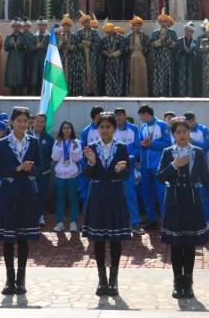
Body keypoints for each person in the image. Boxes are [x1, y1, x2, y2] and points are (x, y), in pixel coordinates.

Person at [158, 116, 209, 299]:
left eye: (185, 131)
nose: (182, 135)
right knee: (176, 245)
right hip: (174, 202)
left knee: (190, 244)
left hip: (192, 202)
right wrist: (174, 165)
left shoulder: (197, 152)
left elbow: (205, 176)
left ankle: (188, 282)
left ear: (189, 132)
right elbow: (160, 177)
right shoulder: (168, 152)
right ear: (173, 134)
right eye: (178, 132)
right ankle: (177, 282)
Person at [0, 107, 41, 295]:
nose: (22, 124)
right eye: (18, 121)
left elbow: (41, 167)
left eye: (25, 121)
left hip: (27, 193)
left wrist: (30, 169)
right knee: (8, 238)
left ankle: (21, 279)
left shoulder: (33, 142)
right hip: (8, 194)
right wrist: (16, 168)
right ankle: (9, 279)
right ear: (12, 122)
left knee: (23, 237)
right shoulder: (2, 143)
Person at [82, 112, 132, 296]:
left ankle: (113, 280)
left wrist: (121, 170)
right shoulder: (91, 148)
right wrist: (92, 163)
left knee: (115, 239)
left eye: (108, 127)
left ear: (114, 128)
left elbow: (127, 174)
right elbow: (86, 175)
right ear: (98, 129)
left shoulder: (122, 147)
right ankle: (102, 280)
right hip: (97, 196)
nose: (105, 130)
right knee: (98, 239)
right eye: (101, 127)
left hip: (115, 195)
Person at [52, 120, 82, 232]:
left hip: (72, 175)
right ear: (61, 130)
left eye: (68, 128)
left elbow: (78, 158)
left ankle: (73, 222)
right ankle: (59, 223)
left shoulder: (76, 142)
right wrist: (59, 146)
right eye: (64, 128)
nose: (66, 130)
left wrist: (74, 149)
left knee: (73, 199)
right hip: (60, 175)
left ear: (71, 129)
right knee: (59, 200)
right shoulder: (57, 142)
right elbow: (54, 158)